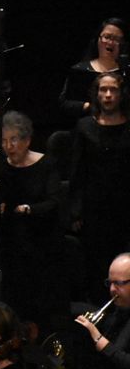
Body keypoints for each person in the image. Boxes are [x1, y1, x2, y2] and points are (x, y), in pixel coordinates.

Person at [0, 111, 65, 329]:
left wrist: (29, 209)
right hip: (11, 244)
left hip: (41, 242)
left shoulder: (47, 164)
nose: (9, 146)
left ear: (27, 140)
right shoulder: (1, 166)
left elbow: (54, 202)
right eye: (4, 141)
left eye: (14, 140)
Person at [68, 72, 130, 303]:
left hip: (125, 208)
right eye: (103, 90)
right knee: (96, 265)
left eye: (113, 90)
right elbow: (77, 172)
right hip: (95, 210)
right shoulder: (84, 127)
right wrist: (76, 211)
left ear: (121, 94)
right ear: (96, 94)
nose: (108, 95)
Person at [58, 17, 127, 122]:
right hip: (87, 126)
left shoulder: (126, 71)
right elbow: (64, 104)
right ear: (98, 40)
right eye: (107, 37)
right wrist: (88, 106)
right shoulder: (80, 70)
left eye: (117, 39)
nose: (111, 42)